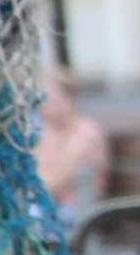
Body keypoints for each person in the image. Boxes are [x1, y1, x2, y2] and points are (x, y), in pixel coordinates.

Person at [35, 70, 110, 228]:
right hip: (45, 207)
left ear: (69, 99)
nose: (45, 106)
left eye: (51, 100)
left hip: (76, 212)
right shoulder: (45, 132)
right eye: (42, 100)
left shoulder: (85, 134)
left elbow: (58, 183)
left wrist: (38, 184)